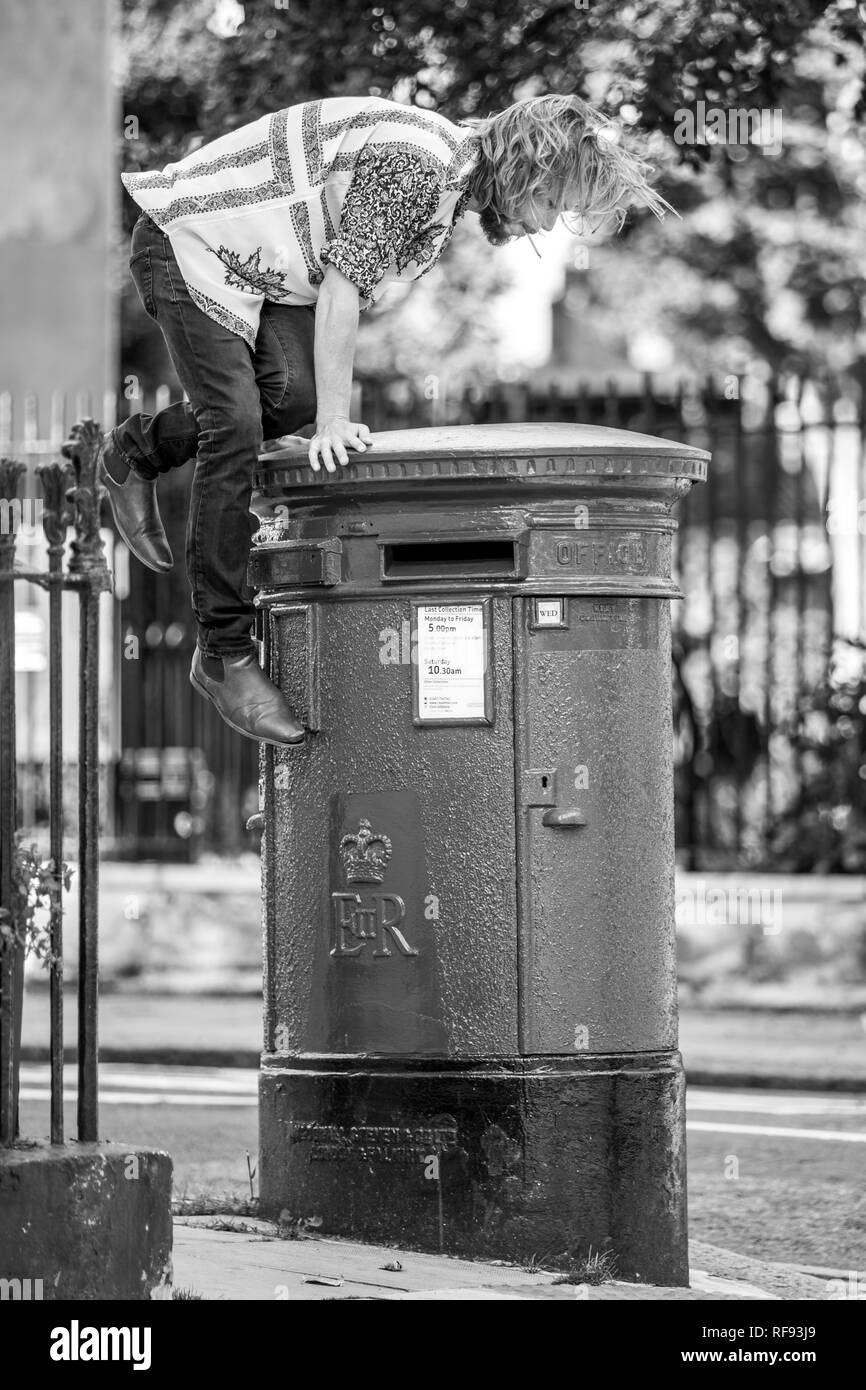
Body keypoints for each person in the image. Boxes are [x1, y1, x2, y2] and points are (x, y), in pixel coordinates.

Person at [109, 93, 671, 746]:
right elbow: (343, 286)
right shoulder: (420, 165)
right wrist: (335, 422)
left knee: (285, 404)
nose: (547, 226)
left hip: (262, 275)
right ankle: (223, 653)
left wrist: (317, 411)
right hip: (189, 240)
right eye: (553, 204)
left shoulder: (449, 183)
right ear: (530, 169)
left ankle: (136, 453)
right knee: (234, 423)